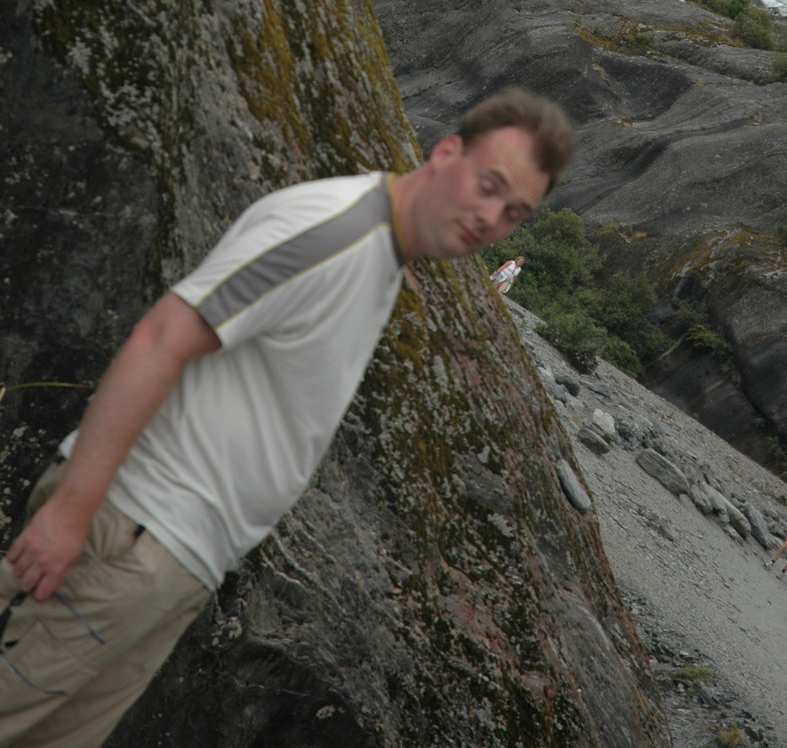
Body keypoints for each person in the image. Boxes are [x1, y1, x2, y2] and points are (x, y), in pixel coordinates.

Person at [0, 88, 574, 748]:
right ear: (446, 154)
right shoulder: (334, 231)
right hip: (126, 531)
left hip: (170, 561)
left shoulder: (381, 257)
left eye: (513, 211)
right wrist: (71, 513)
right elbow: (161, 338)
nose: (490, 217)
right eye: (488, 184)